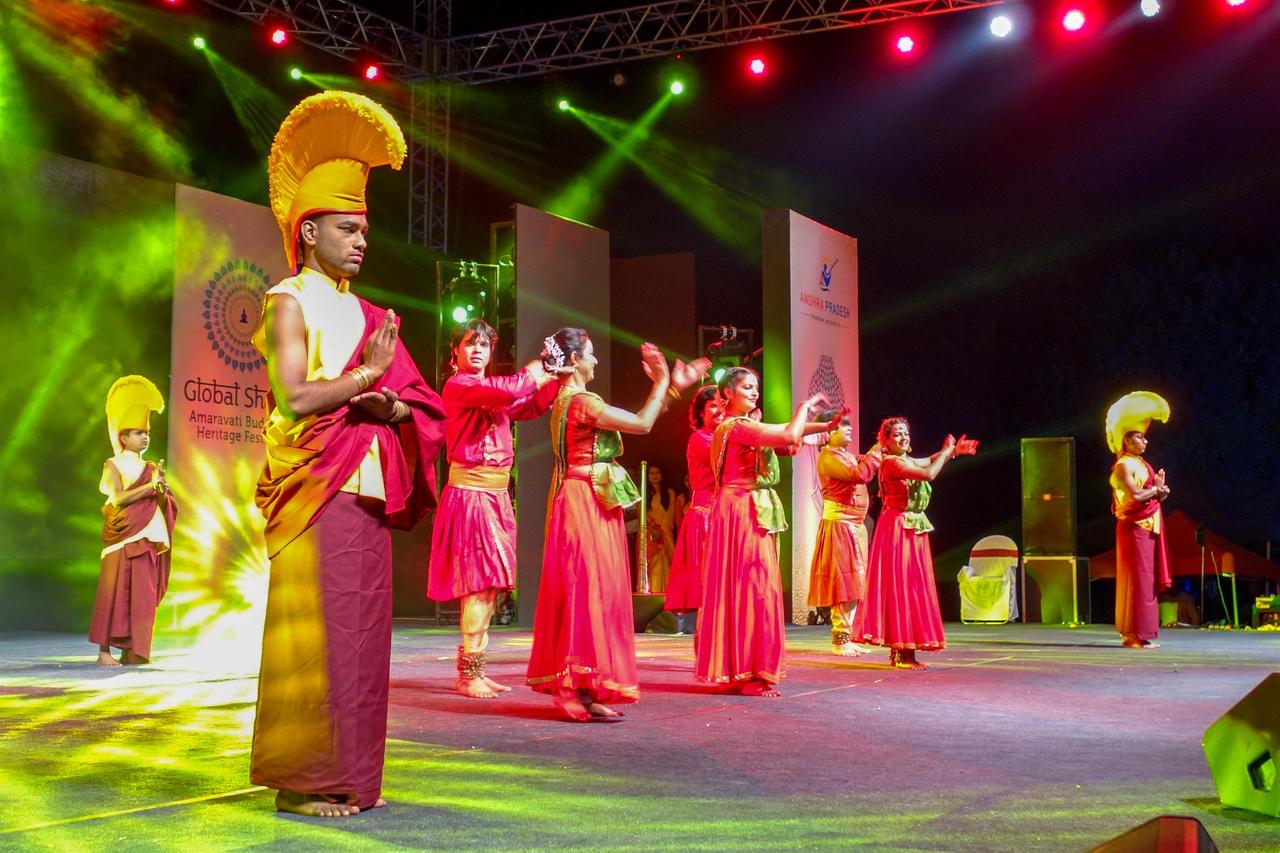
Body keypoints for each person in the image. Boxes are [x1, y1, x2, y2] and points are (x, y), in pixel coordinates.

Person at [249, 91, 446, 818]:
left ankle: (355, 778)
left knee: (363, 643)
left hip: (367, 493)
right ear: (308, 232)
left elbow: (420, 407)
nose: (362, 242)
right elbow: (298, 396)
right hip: (315, 491)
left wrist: (388, 403)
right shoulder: (288, 300)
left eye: (365, 230)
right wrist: (366, 379)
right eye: (347, 229)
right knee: (315, 642)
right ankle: (300, 782)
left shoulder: (368, 314)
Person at [526, 327, 707, 721]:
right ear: (575, 360)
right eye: (590, 354)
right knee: (585, 589)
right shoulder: (581, 401)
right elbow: (641, 424)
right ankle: (571, 686)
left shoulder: (569, 400)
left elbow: (637, 419)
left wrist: (672, 389)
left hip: (590, 498)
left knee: (597, 589)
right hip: (584, 501)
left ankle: (587, 687)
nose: (595, 360)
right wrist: (662, 380)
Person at [427, 319, 557, 698]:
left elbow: (530, 404)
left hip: (496, 496)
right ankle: (469, 674)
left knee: (490, 586)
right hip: (472, 494)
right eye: (470, 344)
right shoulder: (460, 386)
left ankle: (474, 670)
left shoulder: (492, 392)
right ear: (455, 352)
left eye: (484, 345)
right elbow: (515, 388)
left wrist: (556, 378)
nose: (477, 350)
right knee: (479, 585)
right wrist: (536, 369)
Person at [694, 367, 827, 697]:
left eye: (756, 387)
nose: (755, 392)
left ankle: (747, 669)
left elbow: (785, 430)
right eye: (747, 387)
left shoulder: (737, 425)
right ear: (728, 394)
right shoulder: (737, 426)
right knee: (754, 588)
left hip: (740, 506)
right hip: (742, 509)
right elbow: (788, 435)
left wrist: (825, 425)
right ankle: (752, 672)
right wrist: (803, 408)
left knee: (752, 588)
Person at [853, 417, 977, 670]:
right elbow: (929, 473)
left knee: (912, 585)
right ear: (885, 440)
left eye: (906, 433)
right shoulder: (891, 463)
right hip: (898, 527)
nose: (903, 437)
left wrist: (952, 451)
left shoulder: (905, 460)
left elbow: (929, 460)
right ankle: (903, 652)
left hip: (911, 526)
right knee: (903, 586)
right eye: (897, 434)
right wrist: (946, 452)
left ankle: (902, 650)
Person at [90, 376, 177, 666]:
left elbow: (163, 502)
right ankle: (104, 652)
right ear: (123, 438)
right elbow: (118, 498)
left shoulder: (150, 467)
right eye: (138, 433)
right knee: (113, 593)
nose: (145, 437)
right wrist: (151, 487)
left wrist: (162, 491)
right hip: (122, 536)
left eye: (146, 433)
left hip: (147, 538)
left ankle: (135, 652)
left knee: (142, 597)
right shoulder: (112, 464)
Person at [805, 413, 882, 656]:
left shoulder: (846, 455)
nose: (849, 429)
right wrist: (878, 449)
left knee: (856, 582)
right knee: (844, 583)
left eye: (849, 425)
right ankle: (840, 640)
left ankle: (847, 636)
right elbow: (859, 475)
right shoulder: (828, 456)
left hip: (855, 525)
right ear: (828, 433)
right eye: (842, 426)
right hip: (840, 524)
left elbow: (868, 462)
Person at [1106, 391, 1173, 649]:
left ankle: (1136, 634)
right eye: (1140, 436)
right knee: (1137, 582)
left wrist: (1160, 492)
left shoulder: (1142, 464)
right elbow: (1135, 495)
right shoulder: (1123, 465)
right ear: (1127, 439)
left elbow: (1150, 497)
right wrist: (1156, 490)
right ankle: (1134, 635)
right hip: (1133, 528)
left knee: (1146, 582)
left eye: (1145, 437)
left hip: (1146, 528)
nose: (1145, 441)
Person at [662, 386, 723, 630]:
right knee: (708, 585)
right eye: (713, 406)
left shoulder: (726, 435)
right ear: (700, 412)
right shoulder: (700, 438)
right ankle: (708, 640)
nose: (720, 410)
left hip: (724, 514)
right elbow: (724, 460)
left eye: (723, 404)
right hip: (706, 516)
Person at [643, 463, 678, 593]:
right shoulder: (644, 495)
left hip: (664, 535)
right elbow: (643, 516)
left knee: (664, 566)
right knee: (652, 569)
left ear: (662, 475)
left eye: (657, 472)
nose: (654, 476)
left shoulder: (669, 493)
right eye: (651, 473)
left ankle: (666, 596)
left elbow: (670, 515)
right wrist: (653, 529)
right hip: (650, 536)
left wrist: (661, 532)